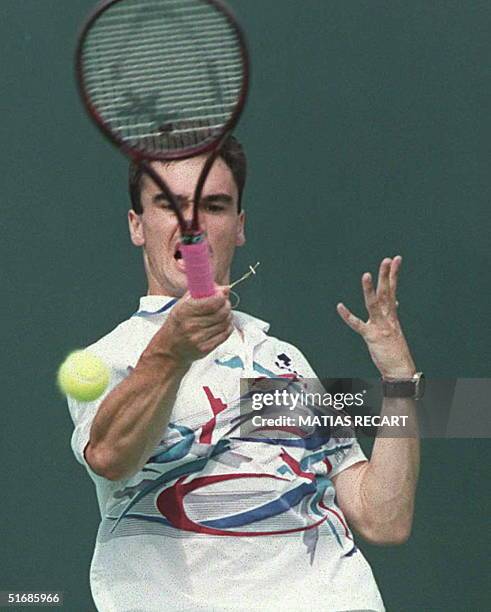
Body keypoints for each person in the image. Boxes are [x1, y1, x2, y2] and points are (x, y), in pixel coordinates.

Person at [67, 135, 420, 612]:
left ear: (239, 227)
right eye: (170, 206)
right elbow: (110, 457)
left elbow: (384, 518)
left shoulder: (285, 360)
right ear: (137, 224)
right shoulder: (111, 359)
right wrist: (173, 350)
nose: (192, 224)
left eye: (213, 207)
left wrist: (399, 382)